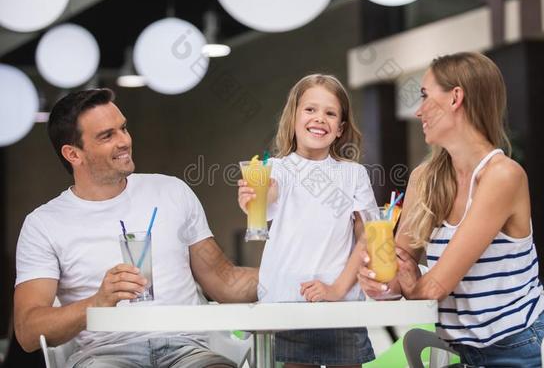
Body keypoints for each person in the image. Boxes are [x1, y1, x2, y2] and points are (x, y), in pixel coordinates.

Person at [357, 52, 544, 367]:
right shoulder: (424, 178)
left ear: (455, 98)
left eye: (425, 97)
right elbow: (399, 270)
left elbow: (433, 288)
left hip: (525, 352)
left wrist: (409, 281)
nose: (419, 111)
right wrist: (380, 281)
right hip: (461, 356)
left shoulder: (502, 176)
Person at [14, 88, 257, 368]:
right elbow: (28, 330)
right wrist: (97, 302)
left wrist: (292, 273)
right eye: (107, 135)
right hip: (106, 355)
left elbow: (225, 282)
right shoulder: (44, 224)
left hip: (188, 350)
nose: (124, 141)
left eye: (123, 128)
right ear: (73, 154)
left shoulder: (171, 192)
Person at [237, 74, 376, 368]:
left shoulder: (353, 174)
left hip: (342, 307)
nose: (319, 118)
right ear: (294, 117)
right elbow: (267, 195)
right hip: (288, 304)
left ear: (340, 128)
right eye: (310, 109)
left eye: (330, 113)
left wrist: (337, 289)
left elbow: (368, 237)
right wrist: (252, 198)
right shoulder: (275, 169)